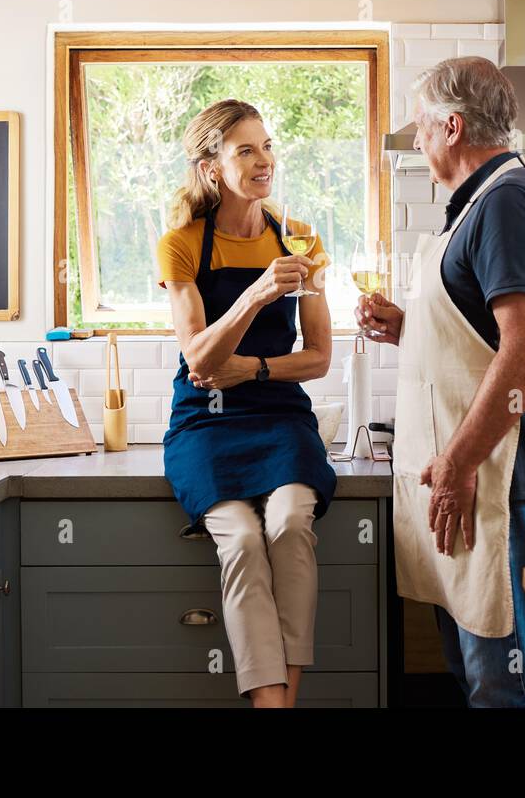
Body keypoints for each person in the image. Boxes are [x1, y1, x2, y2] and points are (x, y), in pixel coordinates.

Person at [358, 57, 525, 708]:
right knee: (476, 677)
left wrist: (456, 461)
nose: (417, 137)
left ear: (452, 127)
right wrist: (409, 327)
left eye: (422, 125)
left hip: (503, 482)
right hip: (474, 487)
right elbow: (482, 340)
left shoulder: (510, 201)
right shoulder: (475, 208)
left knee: (507, 685)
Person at [158, 98, 336, 707]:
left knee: (289, 524)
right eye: (246, 151)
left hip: (281, 417)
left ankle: (277, 702)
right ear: (211, 167)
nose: (265, 161)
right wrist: (257, 293)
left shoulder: (301, 239)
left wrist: (254, 369)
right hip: (205, 424)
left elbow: (318, 358)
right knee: (238, 538)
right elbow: (199, 362)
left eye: (267, 146)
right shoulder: (180, 244)